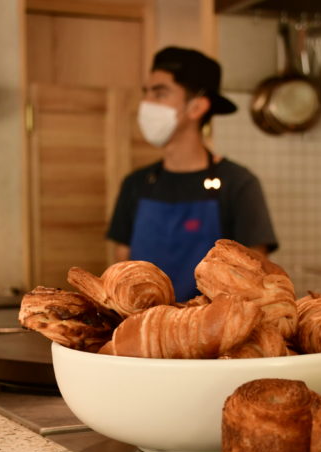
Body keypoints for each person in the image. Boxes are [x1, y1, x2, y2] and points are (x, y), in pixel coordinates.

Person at [106, 46, 278, 301]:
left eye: (160, 93)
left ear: (196, 107)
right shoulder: (136, 184)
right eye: (147, 93)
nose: (146, 103)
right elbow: (121, 267)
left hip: (213, 332)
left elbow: (255, 275)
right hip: (142, 328)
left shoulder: (238, 184)